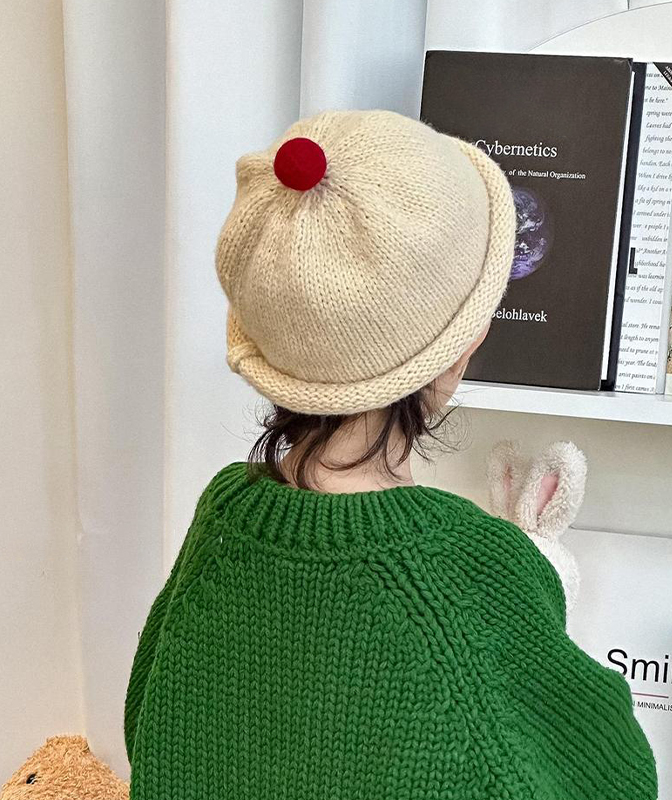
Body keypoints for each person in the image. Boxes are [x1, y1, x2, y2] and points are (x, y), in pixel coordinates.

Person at [124, 110, 657, 799]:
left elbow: (150, 725)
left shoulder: (223, 519)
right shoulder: (473, 567)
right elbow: (614, 777)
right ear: (462, 348)